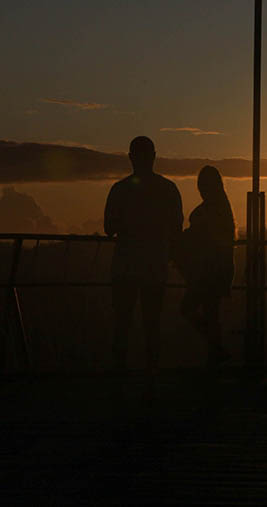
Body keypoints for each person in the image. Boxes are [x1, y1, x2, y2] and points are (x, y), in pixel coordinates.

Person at [104, 136, 182, 374]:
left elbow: (109, 228)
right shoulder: (168, 189)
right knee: (152, 325)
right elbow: (177, 228)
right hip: (155, 266)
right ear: (154, 156)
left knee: (122, 325)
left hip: (125, 266)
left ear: (130, 157)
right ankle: (151, 378)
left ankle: (119, 378)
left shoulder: (119, 190)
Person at [178, 165, 235, 366]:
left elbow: (200, 235)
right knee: (211, 314)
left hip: (207, 271)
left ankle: (216, 350)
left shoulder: (211, 210)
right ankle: (215, 353)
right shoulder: (222, 208)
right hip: (217, 270)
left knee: (189, 309)